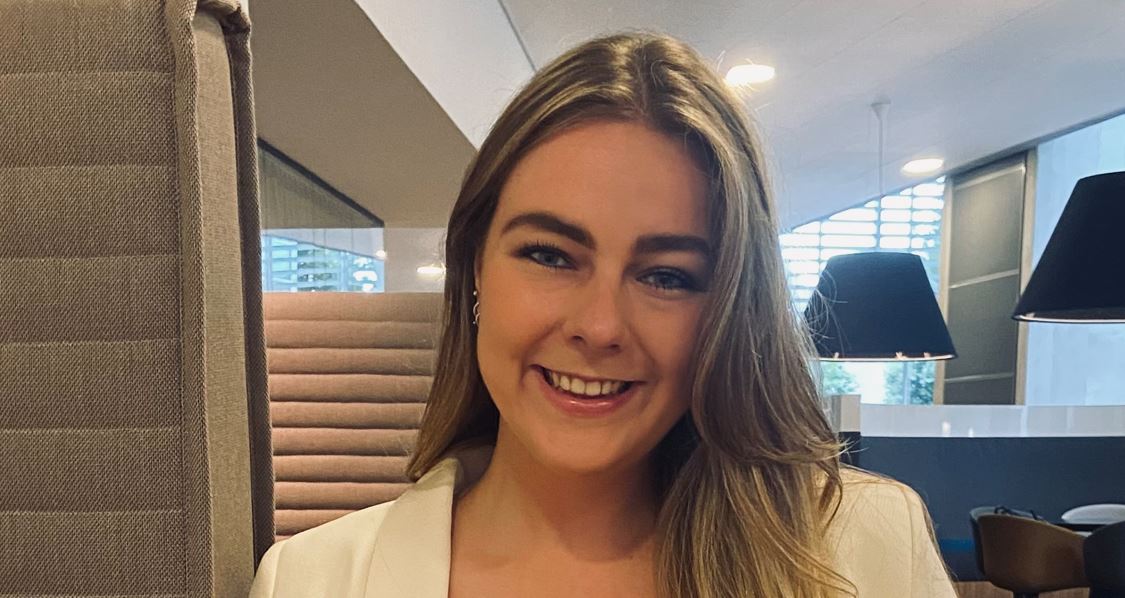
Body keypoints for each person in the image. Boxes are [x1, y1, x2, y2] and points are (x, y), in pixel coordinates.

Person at [250, 32, 956, 598]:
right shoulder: (310, 581)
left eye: (666, 276)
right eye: (551, 256)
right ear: (474, 269)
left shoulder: (862, 547)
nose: (600, 326)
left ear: (726, 313)